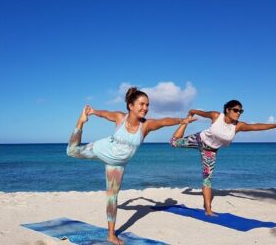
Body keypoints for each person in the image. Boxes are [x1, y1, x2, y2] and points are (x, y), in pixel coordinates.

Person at [66, 87, 196, 245]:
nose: (145, 108)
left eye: (147, 105)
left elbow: (162, 122)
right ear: (130, 105)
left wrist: (181, 121)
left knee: (112, 198)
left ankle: (111, 235)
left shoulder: (145, 126)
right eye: (142, 104)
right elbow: (105, 113)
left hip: (117, 166)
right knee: (71, 151)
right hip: (102, 149)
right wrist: (92, 111)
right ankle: (80, 122)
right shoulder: (120, 118)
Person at [170, 100, 276, 216]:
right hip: (199, 139)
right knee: (174, 143)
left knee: (207, 179)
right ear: (228, 110)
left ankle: (207, 209)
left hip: (210, 152)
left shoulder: (238, 126)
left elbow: (256, 127)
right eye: (236, 110)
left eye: (240, 111)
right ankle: (184, 123)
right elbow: (201, 113)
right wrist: (192, 111)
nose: (238, 113)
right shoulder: (216, 116)